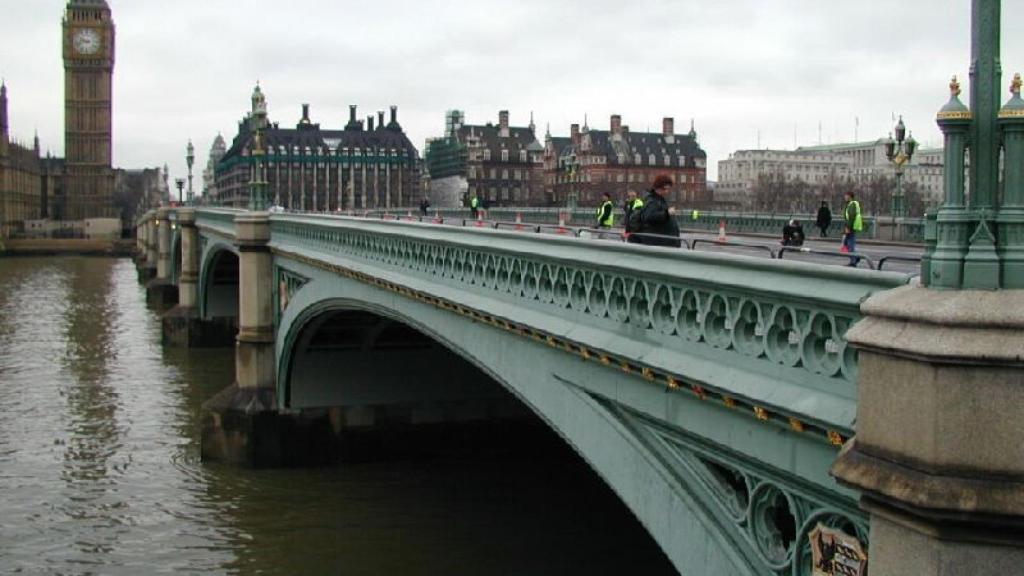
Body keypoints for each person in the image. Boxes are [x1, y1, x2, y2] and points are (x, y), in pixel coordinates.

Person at [635, 174, 681, 247]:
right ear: (660, 187)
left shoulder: (659, 200)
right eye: (667, 188)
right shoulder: (652, 201)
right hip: (658, 243)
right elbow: (649, 216)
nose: (668, 191)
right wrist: (667, 213)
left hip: (662, 242)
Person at [842, 191, 863, 265]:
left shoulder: (852, 205)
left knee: (850, 244)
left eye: (846, 196)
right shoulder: (850, 204)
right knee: (846, 244)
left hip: (850, 227)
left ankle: (853, 261)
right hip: (849, 226)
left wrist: (848, 227)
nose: (845, 197)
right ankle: (855, 257)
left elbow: (851, 217)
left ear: (849, 196)